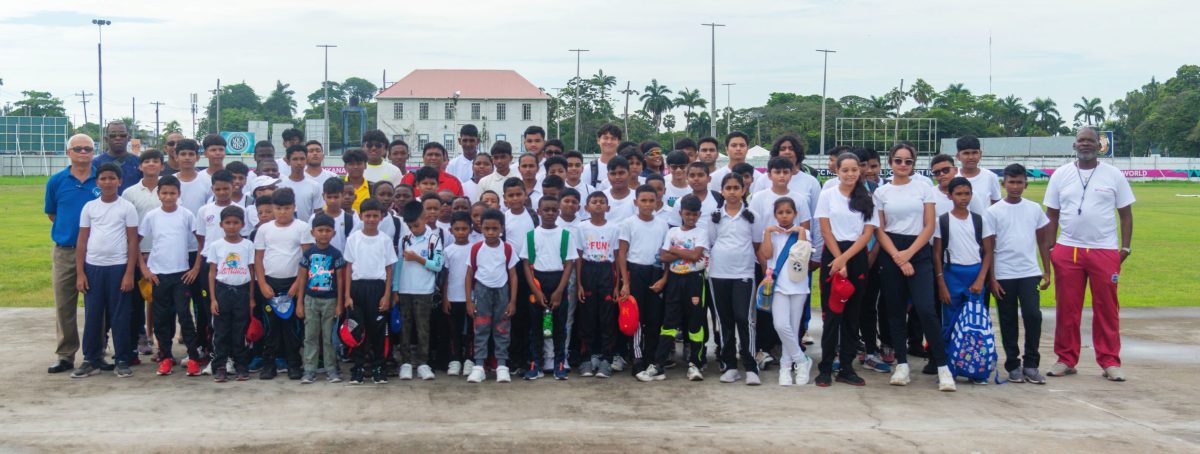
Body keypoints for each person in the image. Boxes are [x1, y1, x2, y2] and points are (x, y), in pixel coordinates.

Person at [1043, 127, 1135, 382]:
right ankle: (1066, 359)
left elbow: (1125, 214)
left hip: (1104, 250)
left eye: (1090, 141)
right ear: (1074, 145)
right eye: (1081, 140)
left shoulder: (1113, 175)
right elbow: (1052, 214)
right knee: (1067, 309)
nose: (1085, 144)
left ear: (1099, 146)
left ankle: (1109, 361)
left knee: (1106, 308)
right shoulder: (1061, 174)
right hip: (1068, 248)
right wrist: (1052, 249)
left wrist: (1125, 248)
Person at [874, 144, 955, 392]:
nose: (902, 165)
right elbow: (880, 229)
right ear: (890, 162)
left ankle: (942, 367)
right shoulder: (881, 192)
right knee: (895, 311)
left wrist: (909, 254)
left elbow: (929, 225)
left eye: (908, 161)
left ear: (913, 164)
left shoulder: (923, 188)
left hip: (918, 250)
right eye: (898, 160)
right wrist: (898, 257)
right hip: (891, 251)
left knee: (926, 309)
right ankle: (902, 364)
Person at [814, 153, 877, 388]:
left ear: (859, 171)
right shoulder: (827, 195)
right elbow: (825, 229)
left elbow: (867, 233)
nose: (850, 174)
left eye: (854, 170)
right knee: (832, 316)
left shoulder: (868, 197)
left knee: (852, 316)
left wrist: (846, 260)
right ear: (837, 171)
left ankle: (847, 368)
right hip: (833, 254)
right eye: (845, 170)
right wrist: (838, 261)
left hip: (856, 256)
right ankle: (826, 367)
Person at [71, 163, 140, 379]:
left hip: (118, 267)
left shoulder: (126, 207)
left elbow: (132, 241)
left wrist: (129, 273)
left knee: (120, 315)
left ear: (119, 182)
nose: (108, 182)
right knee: (93, 315)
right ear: (97, 182)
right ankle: (91, 358)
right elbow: (82, 241)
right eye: (103, 178)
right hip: (93, 268)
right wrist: (80, 273)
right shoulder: (90, 207)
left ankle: (122, 358)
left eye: (112, 178)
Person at [988, 163, 1052, 384]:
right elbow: (989, 248)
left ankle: (1032, 364)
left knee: (1033, 316)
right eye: (1011, 182)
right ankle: (1013, 364)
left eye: (1019, 182)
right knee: (1008, 320)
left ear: (1026, 184)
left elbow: (1043, 241)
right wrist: (992, 278)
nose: (1015, 186)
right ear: (1003, 183)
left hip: (1028, 272)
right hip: (1004, 274)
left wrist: (1046, 271)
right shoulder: (993, 212)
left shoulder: (1034, 209)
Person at [638, 195, 709, 382]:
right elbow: (663, 256)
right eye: (687, 214)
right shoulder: (672, 232)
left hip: (694, 280)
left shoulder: (701, 233)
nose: (691, 217)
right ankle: (658, 365)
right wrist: (685, 254)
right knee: (669, 322)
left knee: (695, 324)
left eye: (695, 214)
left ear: (699, 214)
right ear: (680, 213)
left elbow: (696, 256)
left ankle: (695, 364)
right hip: (675, 280)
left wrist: (675, 251)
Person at [45, 134, 100, 374]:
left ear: (93, 152)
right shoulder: (57, 181)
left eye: (88, 149)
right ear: (69, 152)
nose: (83, 153)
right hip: (66, 251)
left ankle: (96, 352)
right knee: (64, 304)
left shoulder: (103, 178)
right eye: (77, 149)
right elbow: (53, 214)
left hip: (97, 252)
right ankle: (65, 354)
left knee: (98, 305)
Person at [138, 175, 203, 377]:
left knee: (185, 316)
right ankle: (165, 357)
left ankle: (193, 358)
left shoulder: (186, 215)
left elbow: (202, 242)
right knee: (161, 319)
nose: (168, 197)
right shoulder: (152, 216)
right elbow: (135, 242)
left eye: (172, 193)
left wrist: (195, 269)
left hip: (181, 274)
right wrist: (145, 269)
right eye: (164, 193)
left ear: (179, 194)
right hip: (158, 276)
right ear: (158, 195)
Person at [933, 177, 995, 369]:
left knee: (975, 322)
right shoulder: (942, 221)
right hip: (952, 274)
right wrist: (942, 284)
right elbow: (937, 255)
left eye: (967, 194)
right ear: (949, 195)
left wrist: (981, 279)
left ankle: (976, 365)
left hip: (975, 274)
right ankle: (948, 365)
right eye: (959, 194)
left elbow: (988, 252)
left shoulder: (979, 220)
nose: (963, 198)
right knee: (950, 322)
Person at [253, 188, 313, 380]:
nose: (283, 212)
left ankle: (294, 363)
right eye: (278, 208)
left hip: (293, 285)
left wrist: (297, 285)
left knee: (292, 328)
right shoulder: (264, 229)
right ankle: (268, 364)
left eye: (287, 208)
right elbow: (258, 259)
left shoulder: (302, 228)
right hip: (270, 284)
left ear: (294, 207)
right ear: (273, 208)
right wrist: (261, 283)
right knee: (270, 327)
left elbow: (306, 260)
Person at [707, 173, 760, 385]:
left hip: (743, 274)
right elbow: (711, 243)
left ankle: (750, 366)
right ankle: (730, 365)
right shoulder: (714, 216)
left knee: (743, 318)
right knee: (724, 320)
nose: (732, 192)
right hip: (718, 273)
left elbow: (757, 244)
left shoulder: (751, 215)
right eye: (727, 188)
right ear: (722, 191)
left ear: (743, 190)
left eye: (736, 188)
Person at [519, 196, 577, 380]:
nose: (550, 213)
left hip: (558, 282)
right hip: (537, 283)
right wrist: (536, 291)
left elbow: (569, 264)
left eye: (554, 210)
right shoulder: (531, 236)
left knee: (559, 326)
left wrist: (560, 291)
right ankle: (536, 363)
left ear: (558, 211)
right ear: (539, 211)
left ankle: (560, 362)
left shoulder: (565, 235)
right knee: (536, 326)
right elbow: (527, 265)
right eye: (546, 210)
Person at [758, 197, 812, 386]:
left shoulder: (803, 232)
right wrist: (767, 232)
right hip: (778, 286)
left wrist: (801, 232)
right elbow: (766, 255)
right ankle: (802, 361)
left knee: (794, 327)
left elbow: (803, 253)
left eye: (788, 212)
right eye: (780, 212)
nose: (784, 216)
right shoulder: (771, 233)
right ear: (775, 215)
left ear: (795, 214)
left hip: (798, 286)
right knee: (781, 325)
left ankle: (786, 367)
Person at [343, 199, 398, 385]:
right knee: (357, 330)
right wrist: (347, 295)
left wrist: (387, 295)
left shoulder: (385, 240)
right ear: (361, 216)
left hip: (378, 288)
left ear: (381, 217)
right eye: (368, 216)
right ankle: (358, 368)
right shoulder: (353, 239)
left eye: (375, 216)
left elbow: (390, 268)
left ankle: (378, 368)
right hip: (357, 288)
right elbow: (348, 268)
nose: (372, 219)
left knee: (378, 331)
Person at [464, 208, 519, 383]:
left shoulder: (508, 249)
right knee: (481, 328)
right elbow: (469, 275)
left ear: (501, 228)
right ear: (481, 228)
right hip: (481, 291)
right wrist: (469, 301)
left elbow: (513, 276)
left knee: (502, 329)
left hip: (502, 292)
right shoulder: (476, 249)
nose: (490, 232)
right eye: (486, 228)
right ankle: (479, 366)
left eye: (494, 229)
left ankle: (502, 365)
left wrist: (513, 301)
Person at [393, 198, 445, 381]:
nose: (413, 229)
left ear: (425, 218)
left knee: (423, 327)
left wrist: (418, 259)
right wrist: (395, 289)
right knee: (405, 327)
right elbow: (398, 265)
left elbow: (438, 265)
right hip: (405, 289)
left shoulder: (433, 240)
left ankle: (423, 363)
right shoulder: (404, 240)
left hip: (424, 290)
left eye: (416, 225)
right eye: (410, 226)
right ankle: (406, 363)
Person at [619, 185, 669, 375]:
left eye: (652, 201)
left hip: (655, 273)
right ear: (636, 202)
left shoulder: (663, 224)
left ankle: (652, 358)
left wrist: (664, 278)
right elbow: (622, 254)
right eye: (644, 200)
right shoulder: (628, 223)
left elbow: (665, 255)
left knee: (654, 317)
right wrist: (625, 282)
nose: (648, 204)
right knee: (636, 317)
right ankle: (637, 358)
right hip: (635, 271)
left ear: (657, 202)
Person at [204, 205, 255, 383]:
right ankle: (220, 366)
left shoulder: (248, 245)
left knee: (239, 331)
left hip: (241, 292)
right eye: (228, 222)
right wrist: (213, 299)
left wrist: (251, 298)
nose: (232, 226)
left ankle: (241, 365)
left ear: (242, 224)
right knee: (221, 331)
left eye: (236, 223)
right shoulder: (216, 245)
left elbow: (251, 270)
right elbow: (212, 272)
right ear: (221, 224)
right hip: (222, 291)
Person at [572, 191, 620, 378]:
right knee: (587, 317)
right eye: (594, 202)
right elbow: (578, 257)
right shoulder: (581, 228)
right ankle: (586, 358)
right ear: (586, 207)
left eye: (602, 202)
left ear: (608, 207)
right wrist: (579, 284)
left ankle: (606, 360)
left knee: (607, 318)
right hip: (588, 271)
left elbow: (616, 257)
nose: (598, 205)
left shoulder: (614, 228)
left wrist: (616, 285)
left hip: (607, 271)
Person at [122, 149, 164, 358]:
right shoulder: (130, 193)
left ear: (162, 166)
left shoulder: (168, 189)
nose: (151, 165)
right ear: (140, 166)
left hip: (163, 253)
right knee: (137, 300)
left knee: (160, 300)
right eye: (146, 161)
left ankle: (161, 340)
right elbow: (128, 227)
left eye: (155, 161)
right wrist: (139, 255)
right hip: (138, 252)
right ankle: (140, 338)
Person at [194, 170, 239, 363]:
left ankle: (232, 353)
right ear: (212, 189)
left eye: (225, 188)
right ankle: (209, 349)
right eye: (218, 189)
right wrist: (197, 266)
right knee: (208, 309)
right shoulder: (204, 210)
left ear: (233, 187)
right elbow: (201, 240)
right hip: (209, 264)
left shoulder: (239, 209)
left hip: (232, 264)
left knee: (231, 310)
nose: (222, 192)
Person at [296, 213, 347, 384]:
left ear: (333, 233)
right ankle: (309, 370)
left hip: (330, 301)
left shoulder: (336, 254)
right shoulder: (309, 253)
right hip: (311, 300)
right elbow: (302, 278)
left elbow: (340, 280)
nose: (324, 234)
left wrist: (340, 303)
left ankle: (331, 369)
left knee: (328, 337)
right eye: (320, 230)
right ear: (313, 232)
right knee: (310, 336)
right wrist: (300, 303)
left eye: (327, 230)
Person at [501, 177, 536, 374]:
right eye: (510, 196)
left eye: (518, 194)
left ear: (525, 195)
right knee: (510, 316)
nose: (515, 198)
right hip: (509, 272)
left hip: (529, 270)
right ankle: (512, 359)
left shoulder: (533, 216)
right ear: (505, 198)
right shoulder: (503, 219)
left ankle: (527, 358)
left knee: (526, 315)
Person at [441, 212, 475, 376]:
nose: (461, 232)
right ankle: (455, 359)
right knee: (454, 330)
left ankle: (470, 359)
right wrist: (445, 298)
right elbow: (446, 276)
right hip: (453, 297)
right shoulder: (448, 251)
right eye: (457, 229)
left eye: (464, 229)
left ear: (470, 229)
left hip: (472, 298)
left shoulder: (476, 248)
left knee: (471, 331)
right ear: (451, 230)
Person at [954, 136, 1003, 214]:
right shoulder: (953, 177)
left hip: (984, 224)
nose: (971, 157)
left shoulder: (991, 177)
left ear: (980, 154)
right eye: (966, 153)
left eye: (974, 153)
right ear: (958, 156)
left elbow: (996, 204)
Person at [401, 142, 465, 196]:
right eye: (430, 154)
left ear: (443, 158)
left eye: (437, 155)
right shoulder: (409, 178)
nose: (433, 158)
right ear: (423, 157)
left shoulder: (453, 182)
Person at [92, 121, 141, 193]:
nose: (118, 138)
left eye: (122, 135)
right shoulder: (95, 163)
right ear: (106, 139)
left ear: (128, 138)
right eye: (112, 135)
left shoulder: (139, 163)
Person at [278, 145, 324, 221]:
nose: (299, 162)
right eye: (295, 159)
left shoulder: (314, 186)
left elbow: (318, 212)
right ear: (289, 161)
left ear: (306, 160)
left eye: (302, 159)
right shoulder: (280, 186)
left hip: (307, 229)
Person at [583, 124, 623, 189]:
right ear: (598, 140)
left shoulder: (626, 168)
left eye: (613, 138)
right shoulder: (588, 169)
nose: (609, 142)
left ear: (618, 142)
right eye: (605, 138)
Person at [601, 156, 637, 224]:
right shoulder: (601, 198)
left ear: (629, 174)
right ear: (608, 176)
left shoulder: (637, 198)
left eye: (621, 173)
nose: (617, 177)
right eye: (613, 174)